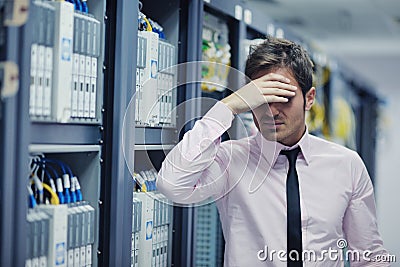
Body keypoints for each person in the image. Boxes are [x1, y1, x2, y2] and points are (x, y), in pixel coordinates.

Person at [156, 36, 389, 266]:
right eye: (261, 98)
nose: (272, 111)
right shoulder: (230, 160)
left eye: (284, 97)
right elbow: (172, 185)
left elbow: (369, 255)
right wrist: (227, 106)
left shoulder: (346, 164)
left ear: (309, 99)